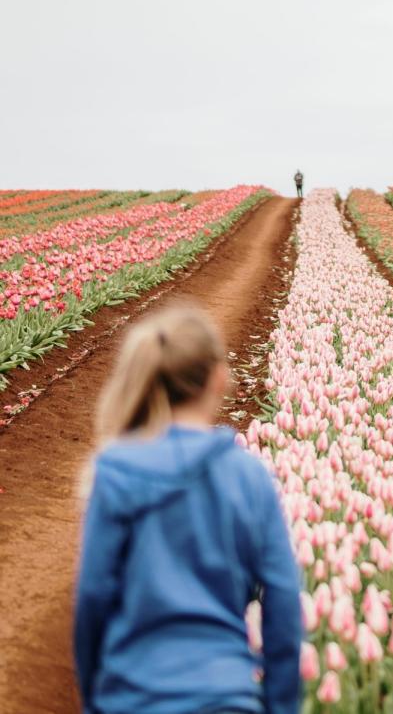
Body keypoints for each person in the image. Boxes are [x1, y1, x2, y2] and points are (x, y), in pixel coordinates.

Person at [75, 305, 302, 714]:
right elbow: (283, 597)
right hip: (224, 694)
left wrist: (96, 696)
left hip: (131, 693)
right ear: (219, 378)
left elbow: (93, 596)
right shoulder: (247, 475)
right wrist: (280, 704)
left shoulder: (115, 472)